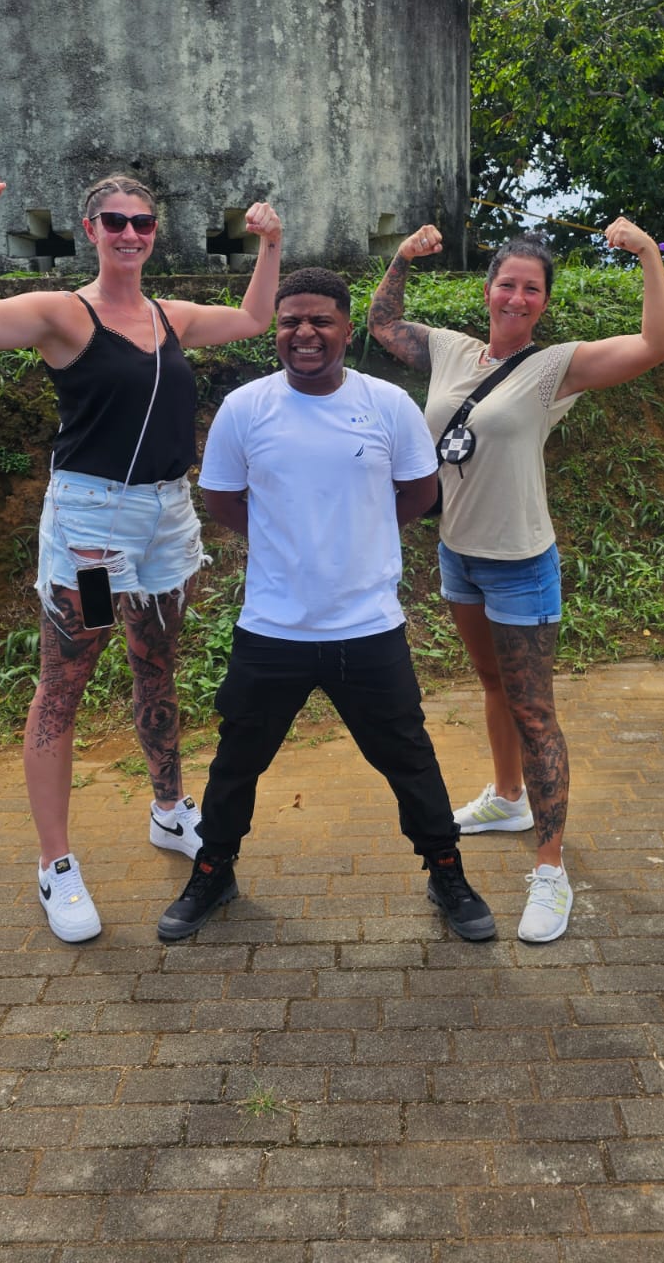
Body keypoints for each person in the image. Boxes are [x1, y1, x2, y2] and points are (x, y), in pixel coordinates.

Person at [156, 266, 496, 945]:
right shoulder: (246, 408)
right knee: (236, 761)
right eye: (289, 322)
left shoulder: (387, 405)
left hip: (366, 624)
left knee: (409, 757)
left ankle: (446, 869)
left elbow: (419, 493)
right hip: (272, 627)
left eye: (319, 321)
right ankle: (214, 868)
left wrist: (358, 535)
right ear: (275, 332)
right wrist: (284, 543)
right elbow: (223, 499)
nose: (304, 334)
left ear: (344, 328)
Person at [367, 217, 664, 943]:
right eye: (505, 283)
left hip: (519, 563)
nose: (515, 297)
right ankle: (505, 797)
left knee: (534, 709)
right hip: (458, 555)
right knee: (490, 685)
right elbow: (380, 323)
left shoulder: (556, 367)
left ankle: (549, 866)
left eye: (530, 289)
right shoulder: (446, 349)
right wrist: (403, 257)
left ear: (543, 302)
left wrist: (649, 257)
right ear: (486, 289)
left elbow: (657, 346)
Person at [0, 172, 282, 943]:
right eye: (115, 221)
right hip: (93, 532)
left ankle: (167, 809)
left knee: (157, 660)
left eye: (144, 222)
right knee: (69, 676)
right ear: (89, 230)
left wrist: (271, 243)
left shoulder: (167, 316)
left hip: (165, 519)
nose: (130, 233)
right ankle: (54, 865)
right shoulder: (63, 313)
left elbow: (256, 317)